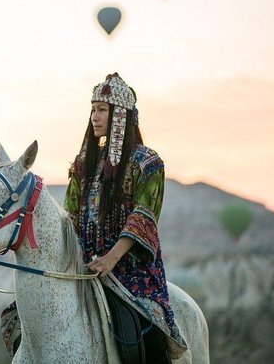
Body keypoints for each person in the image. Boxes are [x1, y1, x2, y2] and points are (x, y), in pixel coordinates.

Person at [63, 72, 185, 362]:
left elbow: (143, 217)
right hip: (83, 263)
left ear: (120, 115)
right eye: (93, 109)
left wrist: (110, 259)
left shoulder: (147, 163)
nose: (94, 116)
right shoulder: (82, 165)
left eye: (102, 109)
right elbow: (68, 218)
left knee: (150, 330)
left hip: (130, 269)